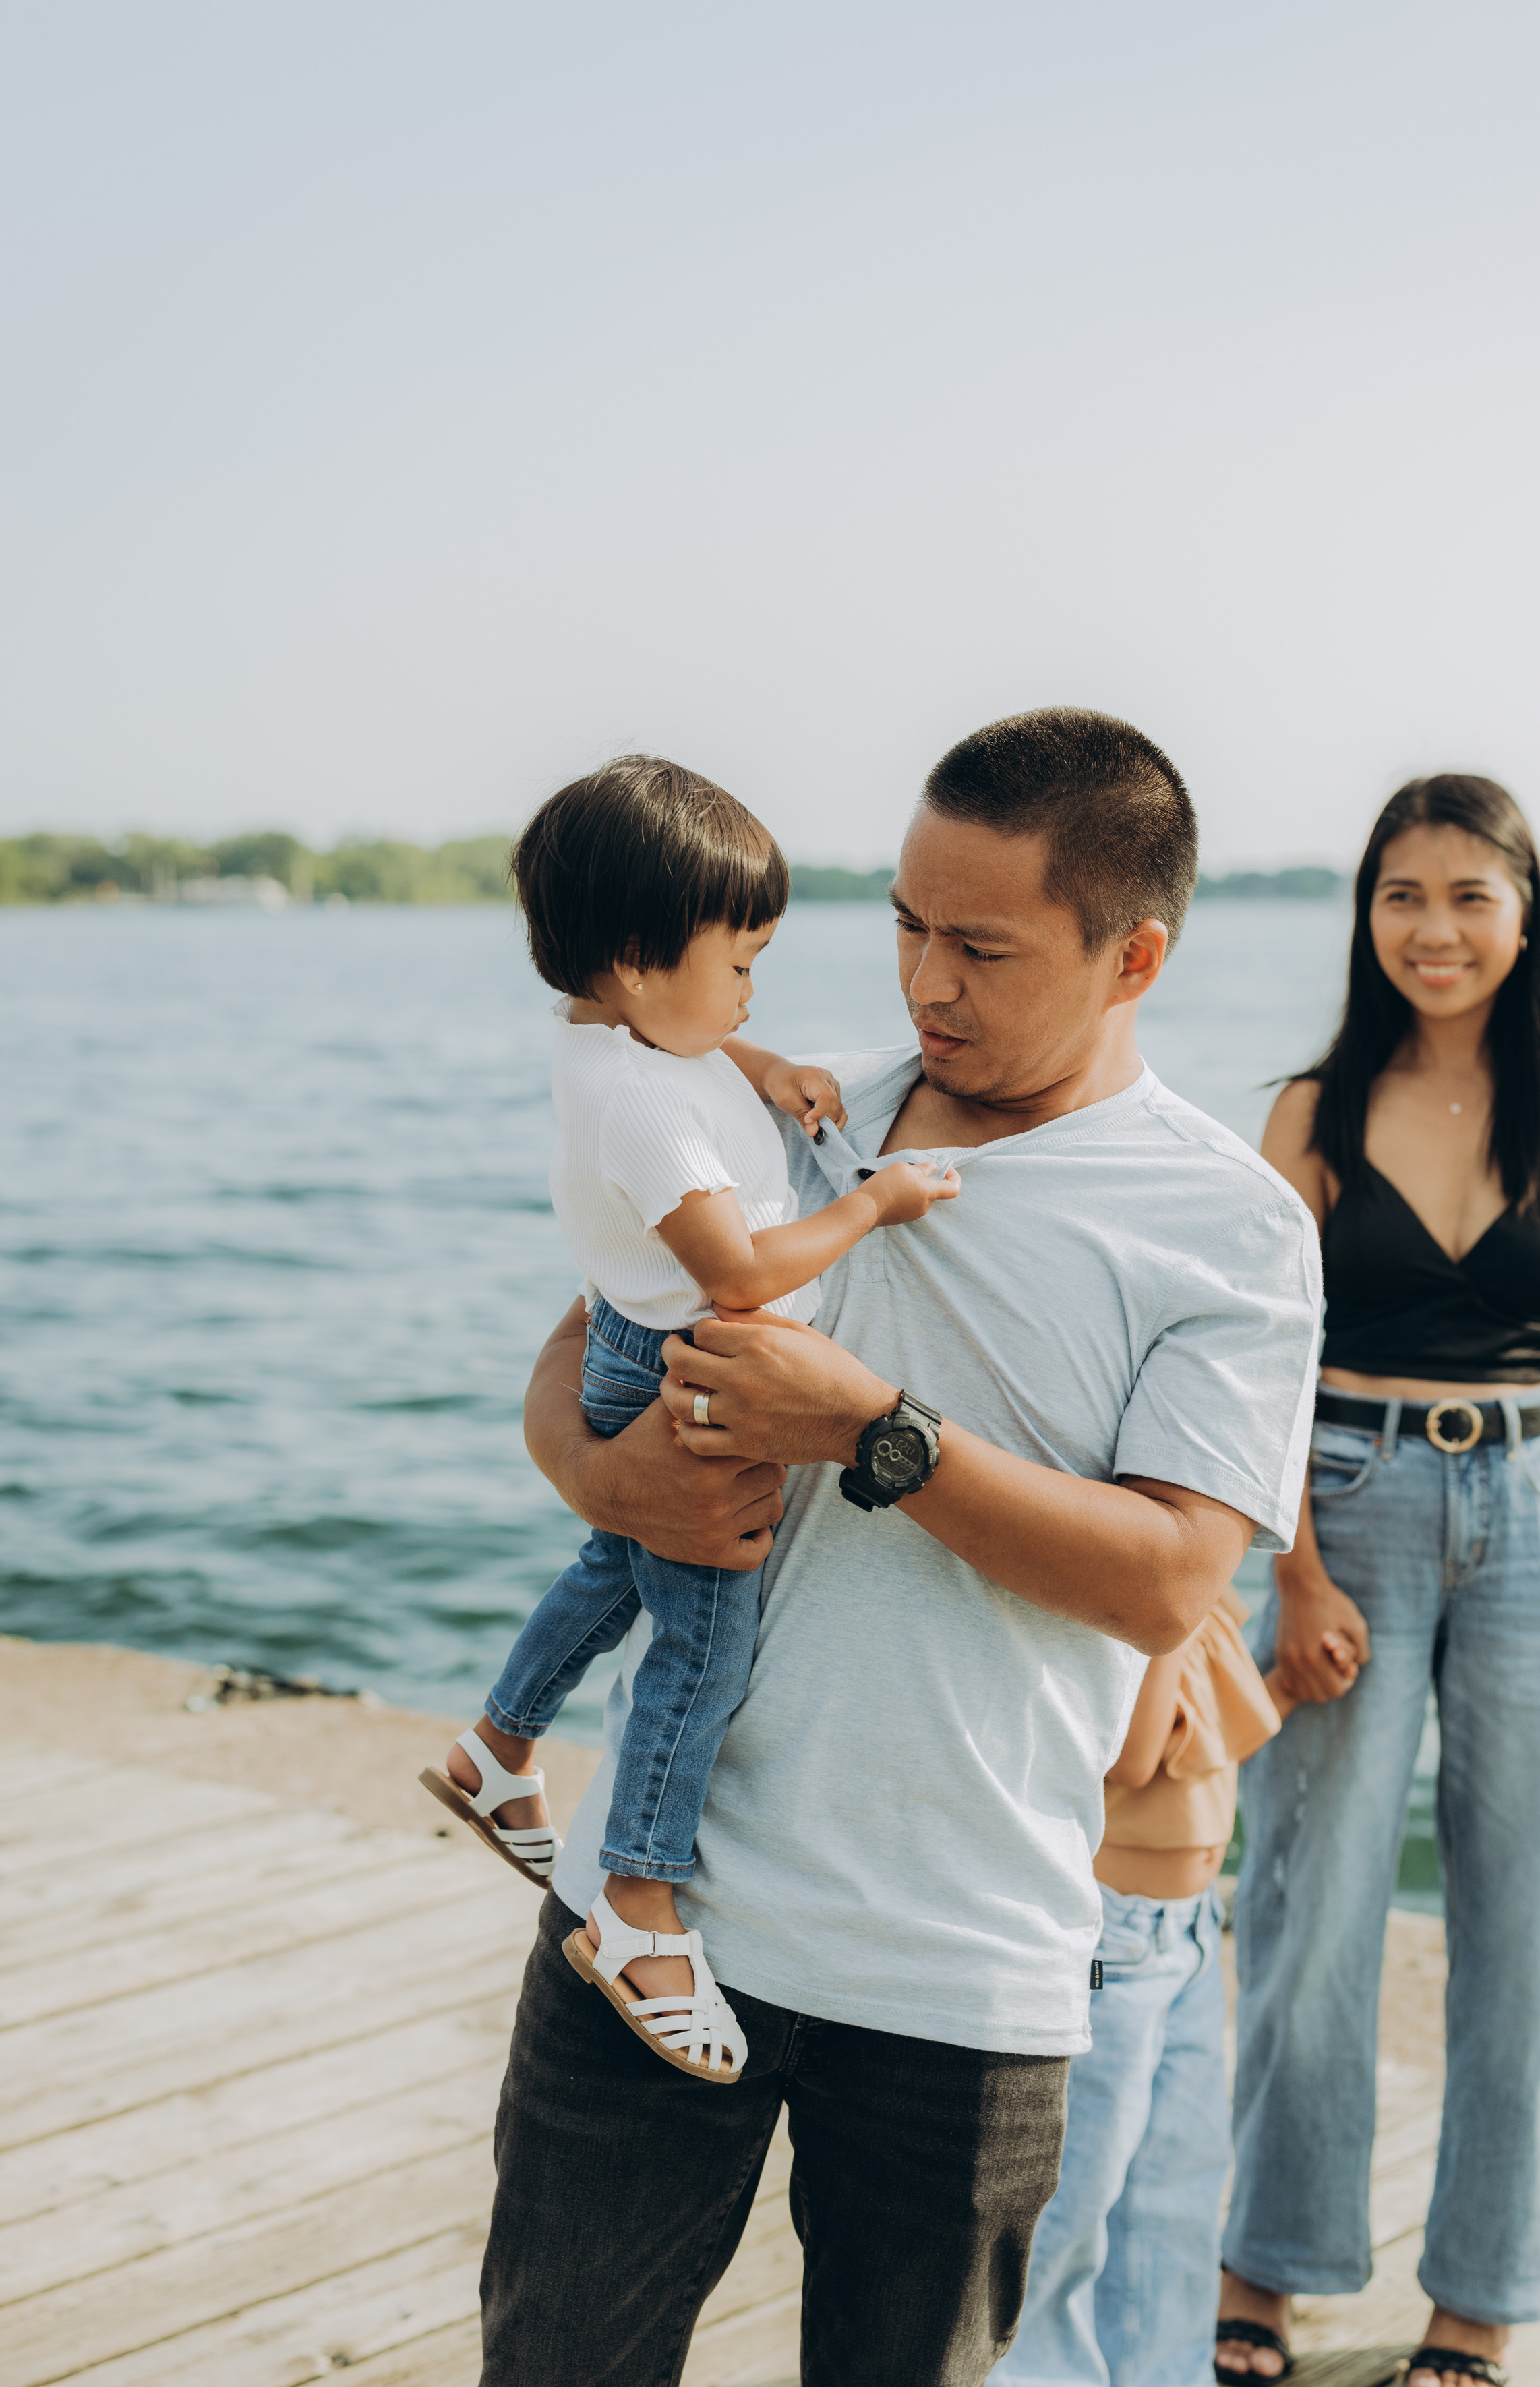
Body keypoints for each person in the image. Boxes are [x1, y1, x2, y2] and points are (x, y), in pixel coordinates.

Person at [476, 708, 1324, 2387]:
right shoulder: (780, 1110)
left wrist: (871, 1426)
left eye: (981, 945)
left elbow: (1168, 1576)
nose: (922, 980)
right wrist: (601, 1473)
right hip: (651, 1919)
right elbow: (583, 1347)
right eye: (904, 925)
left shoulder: (1228, 1223)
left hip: (961, 1962)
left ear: (1131, 951)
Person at [419, 756, 957, 2082]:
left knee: (614, 1561)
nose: (750, 994)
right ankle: (640, 1906)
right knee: (699, 1643)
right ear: (639, 961)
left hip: (626, 1341)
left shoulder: (610, 1034)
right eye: (739, 967)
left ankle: (495, 1750)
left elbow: (693, 1045)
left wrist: (765, 1065)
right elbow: (740, 1273)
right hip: (689, 1361)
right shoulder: (647, 1112)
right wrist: (872, 1204)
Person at [1219, 775, 1540, 2387]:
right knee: (1306, 1903)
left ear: (1524, 910)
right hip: (1349, 1493)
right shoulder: (1309, 1110)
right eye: (1399, 894)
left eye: (1467, 895)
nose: (1432, 929)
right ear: (1363, 913)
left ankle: (1476, 2300)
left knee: (1527, 1921)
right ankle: (1262, 2263)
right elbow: (1253, 1366)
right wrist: (1293, 1573)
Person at [999, 1597, 1357, 2387]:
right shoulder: (1151, 1599)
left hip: (1185, 1936)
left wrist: (1292, 1683)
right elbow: (1131, 1758)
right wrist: (1176, 1601)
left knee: (1175, 2199)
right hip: (1110, 1944)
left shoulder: (1205, 1600)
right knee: (1071, 2215)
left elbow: (1206, 1740)